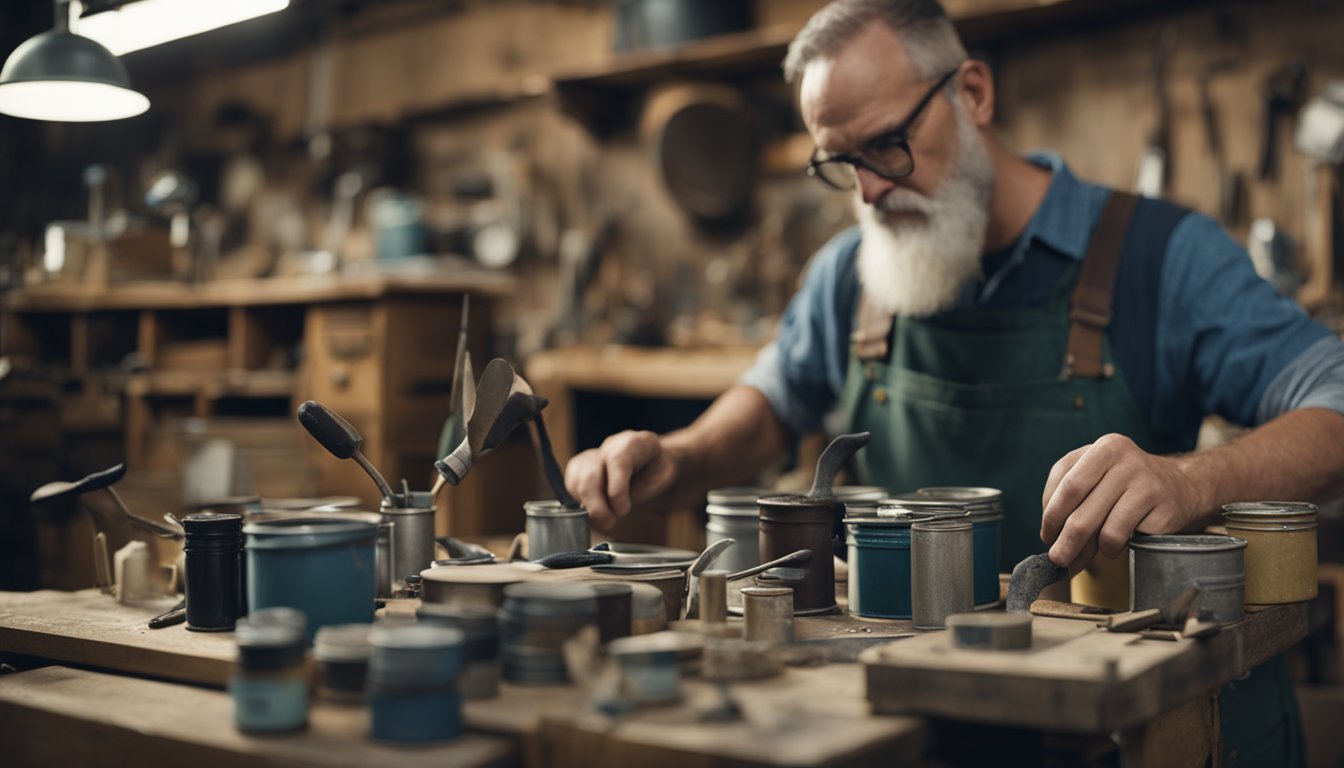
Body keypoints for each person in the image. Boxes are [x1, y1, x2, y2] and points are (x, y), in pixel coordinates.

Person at [566, 2, 1344, 763]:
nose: (867, 192)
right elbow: (776, 395)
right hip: (915, 716)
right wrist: (681, 455)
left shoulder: (1162, 257)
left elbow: (1335, 400)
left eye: (886, 146)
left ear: (972, 93)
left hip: (1117, 717)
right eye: (841, 163)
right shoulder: (852, 271)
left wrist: (1193, 478)